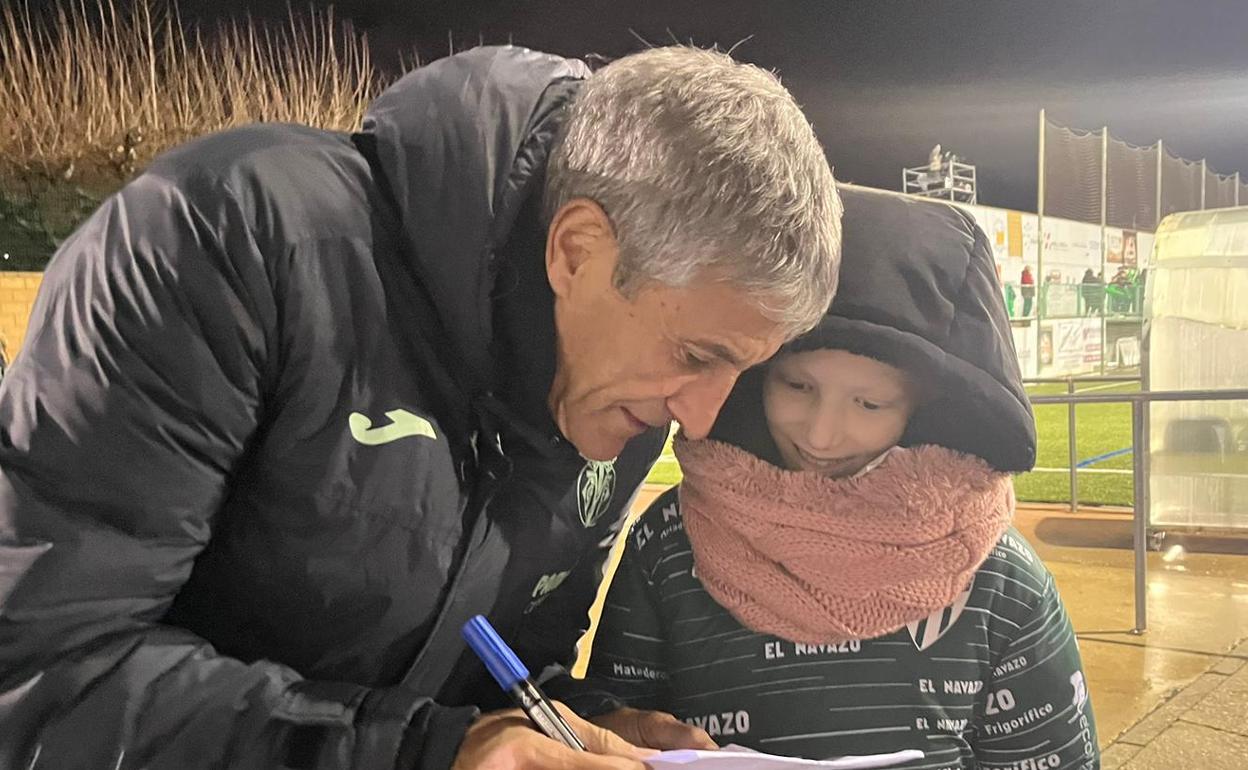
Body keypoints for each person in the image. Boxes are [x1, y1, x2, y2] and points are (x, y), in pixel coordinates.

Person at [0, 46, 842, 770]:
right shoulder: (232, 240)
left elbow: (505, 666)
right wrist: (423, 753)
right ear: (577, 250)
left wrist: (585, 726)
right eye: (697, 357)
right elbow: (42, 670)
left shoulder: (615, 399)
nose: (697, 419)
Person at [563, 186, 1099, 770]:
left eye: (869, 404)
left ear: (926, 412)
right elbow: (609, 728)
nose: (820, 435)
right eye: (796, 386)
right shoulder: (667, 543)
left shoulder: (999, 578)